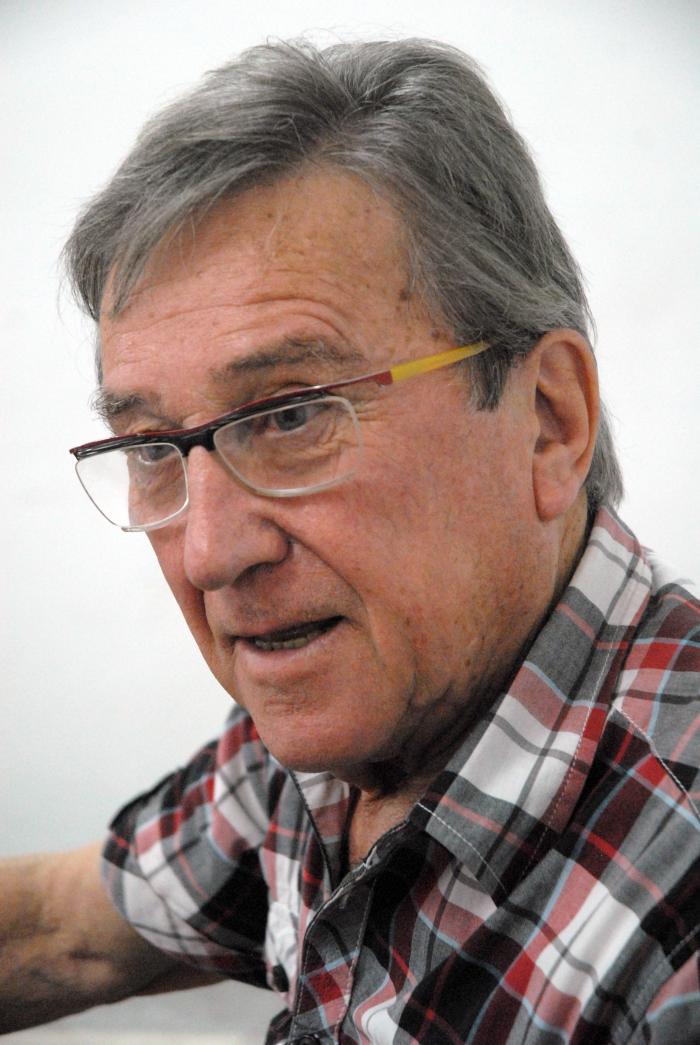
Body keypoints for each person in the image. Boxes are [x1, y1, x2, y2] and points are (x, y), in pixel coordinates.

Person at [2, 37, 698, 1044]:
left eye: (290, 415)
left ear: (548, 420)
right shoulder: (337, 728)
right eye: (152, 446)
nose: (208, 555)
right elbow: (63, 933)